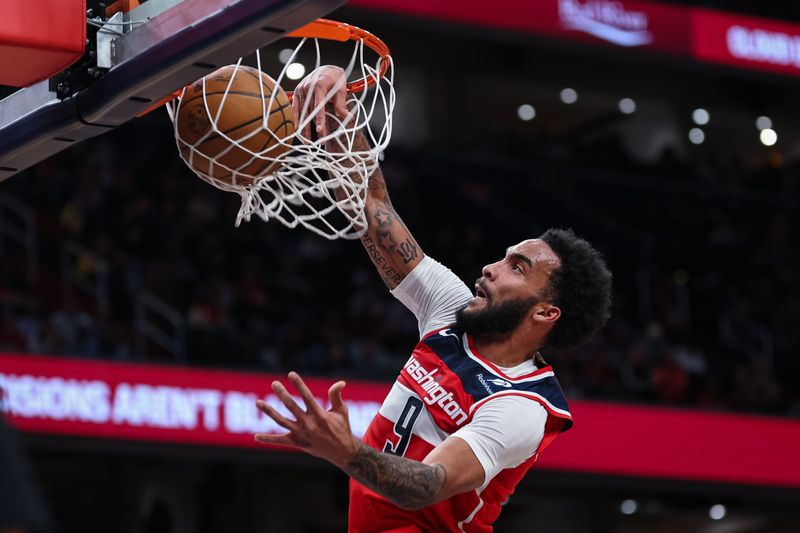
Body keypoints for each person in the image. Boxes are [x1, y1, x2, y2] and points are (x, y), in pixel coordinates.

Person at [254, 66, 613, 532]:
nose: (490, 267)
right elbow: (375, 208)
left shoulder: (524, 406)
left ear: (546, 312)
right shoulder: (452, 309)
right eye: (504, 258)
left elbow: (430, 483)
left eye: (516, 268)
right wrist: (338, 118)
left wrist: (345, 450)